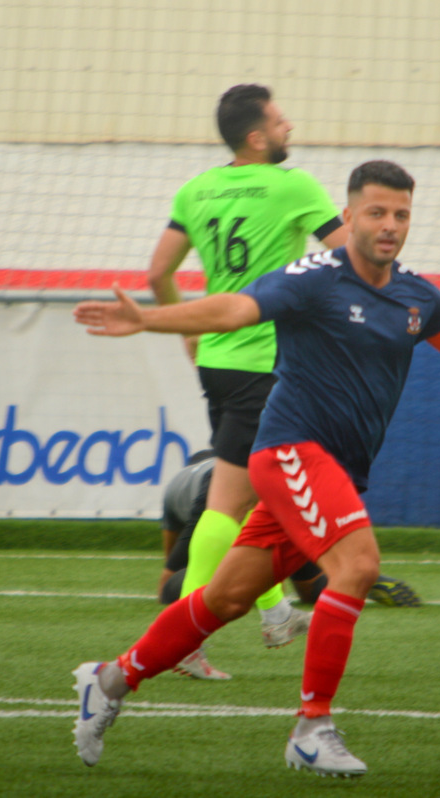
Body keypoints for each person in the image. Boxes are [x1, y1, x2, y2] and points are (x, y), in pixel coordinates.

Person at [71, 160, 440, 777]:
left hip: (331, 469)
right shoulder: (315, 278)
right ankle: (312, 727)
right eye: (376, 212)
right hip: (290, 451)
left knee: (227, 598)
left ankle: (107, 682)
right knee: (359, 564)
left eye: (400, 214)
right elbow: (235, 309)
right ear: (348, 217)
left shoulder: (416, 296)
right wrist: (150, 318)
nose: (389, 225)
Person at [147, 84, 349, 649]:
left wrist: (187, 326)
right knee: (229, 501)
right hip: (266, 364)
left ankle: (275, 611)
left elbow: (158, 272)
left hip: (216, 357)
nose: (290, 128)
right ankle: (182, 635)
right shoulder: (292, 186)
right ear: (257, 137)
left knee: (258, 494)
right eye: (281, 121)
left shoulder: (196, 190)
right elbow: (350, 254)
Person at [159, 450, 423, 681]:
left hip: (223, 495)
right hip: (263, 488)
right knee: (297, 576)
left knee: (174, 586)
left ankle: (207, 627)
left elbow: (168, 570)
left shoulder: (181, 486)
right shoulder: (228, 462)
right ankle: (333, 581)